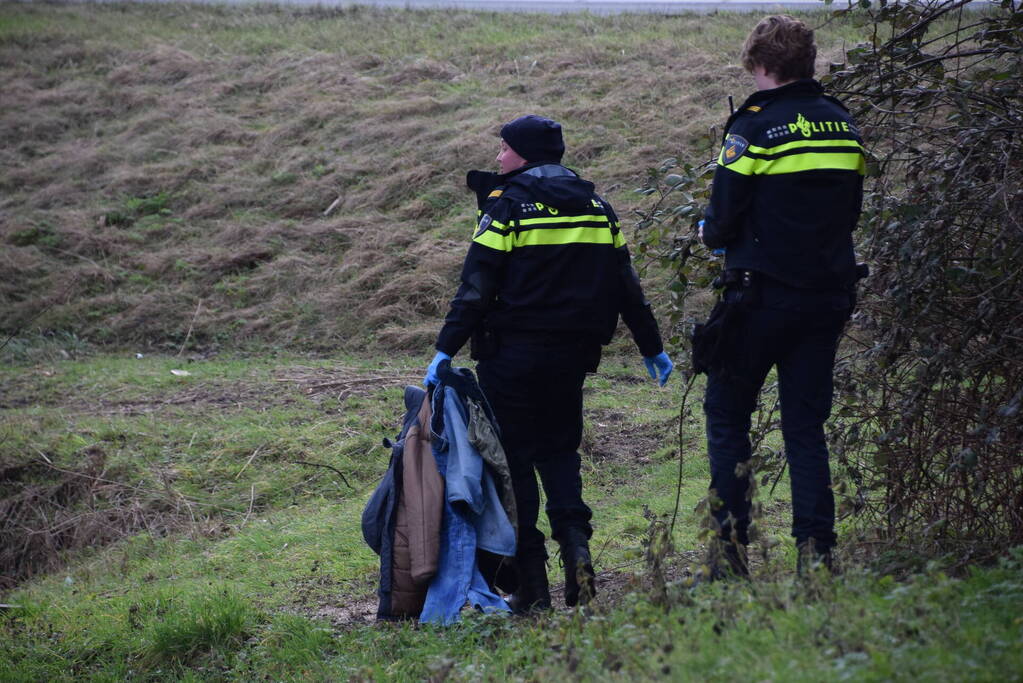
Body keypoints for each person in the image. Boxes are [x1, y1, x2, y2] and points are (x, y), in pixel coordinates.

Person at [424, 114, 673, 611]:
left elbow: (477, 286)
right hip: (573, 357)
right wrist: (651, 346)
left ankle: (532, 589)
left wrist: (445, 347)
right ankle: (578, 554)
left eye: (503, 148)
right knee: (560, 454)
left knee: (515, 463)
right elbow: (625, 284)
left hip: (510, 357)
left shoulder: (507, 206)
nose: (498, 157)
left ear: (523, 154)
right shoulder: (596, 207)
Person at [698, 15, 865, 577]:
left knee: (726, 415)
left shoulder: (753, 126)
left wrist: (708, 231)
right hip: (827, 297)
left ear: (760, 64)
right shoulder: (843, 124)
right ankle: (817, 556)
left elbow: (720, 221)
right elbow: (850, 213)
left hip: (760, 299)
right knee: (804, 427)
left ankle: (729, 556)